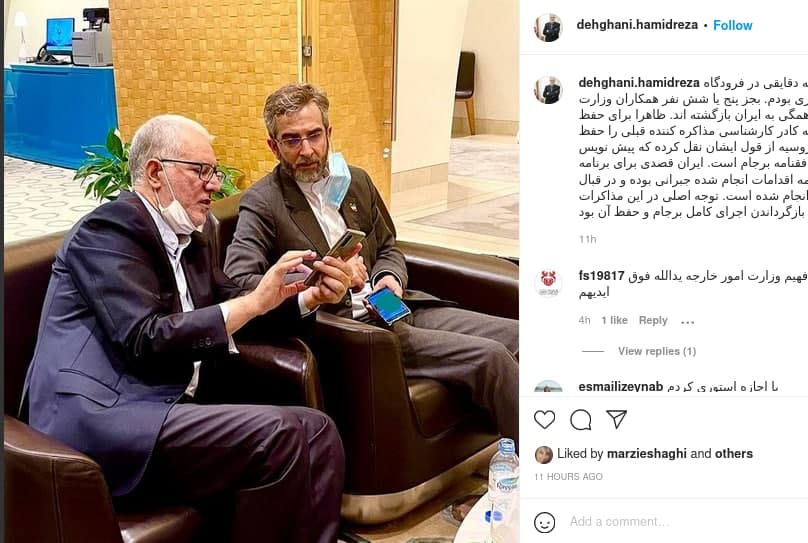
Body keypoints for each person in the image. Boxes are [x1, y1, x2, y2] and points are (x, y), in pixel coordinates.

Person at [22, 114, 355, 543]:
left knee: (318, 431)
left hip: (162, 406)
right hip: (102, 418)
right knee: (286, 435)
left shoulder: (191, 242)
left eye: (214, 172)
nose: (215, 184)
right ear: (155, 172)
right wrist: (251, 302)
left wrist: (308, 296)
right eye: (202, 171)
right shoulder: (107, 231)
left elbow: (240, 300)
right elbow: (146, 336)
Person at [224, 83, 520, 445]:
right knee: (492, 357)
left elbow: (389, 247)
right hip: (352, 329)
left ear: (328, 132)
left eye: (314, 135)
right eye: (292, 140)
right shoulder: (263, 203)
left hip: (394, 304)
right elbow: (239, 282)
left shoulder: (356, 182)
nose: (307, 150)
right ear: (274, 146)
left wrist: (389, 277)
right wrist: (321, 280)